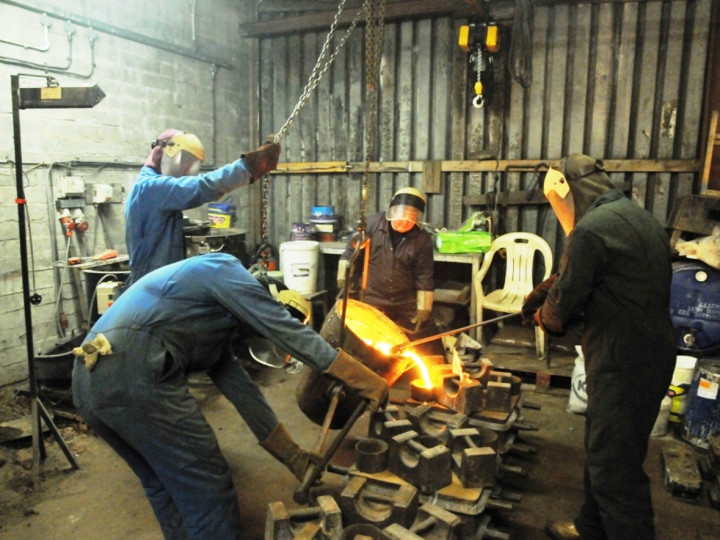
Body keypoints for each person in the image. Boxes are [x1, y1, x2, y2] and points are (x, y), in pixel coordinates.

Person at [72, 252, 388, 539]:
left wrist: (291, 454)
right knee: (205, 480)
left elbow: (245, 395)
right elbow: (288, 331)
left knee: (163, 480)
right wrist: (361, 377)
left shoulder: (211, 325)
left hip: (87, 379)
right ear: (265, 298)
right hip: (131, 370)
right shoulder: (223, 269)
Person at [521, 154, 675, 540]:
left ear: (569, 191)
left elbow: (558, 315)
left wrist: (541, 313)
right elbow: (591, 271)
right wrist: (546, 288)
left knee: (614, 469)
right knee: (609, 446)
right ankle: (591, 527)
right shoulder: (636, 217)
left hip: (622, 358)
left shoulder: (590, 229)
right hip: (653, 352)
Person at [123, 129, 281, 288]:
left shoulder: (149, 188)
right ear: (163, 154)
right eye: (183, 162)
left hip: (160, 282)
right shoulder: (150, 188)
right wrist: (250, 166)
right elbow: (203, 186)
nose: (186, 172)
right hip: (152, 287)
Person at [337, 187, 443, 356]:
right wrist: (344, 277)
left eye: (409, 219)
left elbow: (424, 276)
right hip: (374, 296)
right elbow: (351, 252)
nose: (403, 222)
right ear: (392, 211)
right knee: (368, 340)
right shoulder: (371, 224)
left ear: (416, 218)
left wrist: (424, 309)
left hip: (405, 300)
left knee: (426, 336)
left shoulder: (422, 241)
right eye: (400, 218)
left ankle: (435, 370)